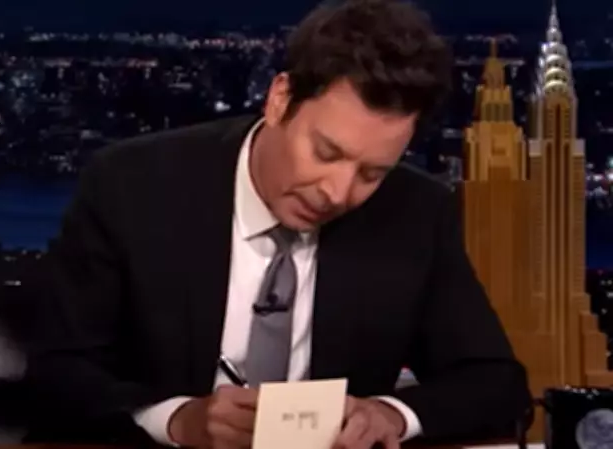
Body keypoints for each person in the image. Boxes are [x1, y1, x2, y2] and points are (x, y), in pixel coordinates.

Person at [28, 0, 532, 447]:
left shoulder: (416, 213)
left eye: (372, 173)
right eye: (326, 153)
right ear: (279, 99)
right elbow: (58, 374)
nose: (338, 192)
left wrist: (391, 415)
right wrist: (179, 420)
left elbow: (495, 384)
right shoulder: (132, 186)